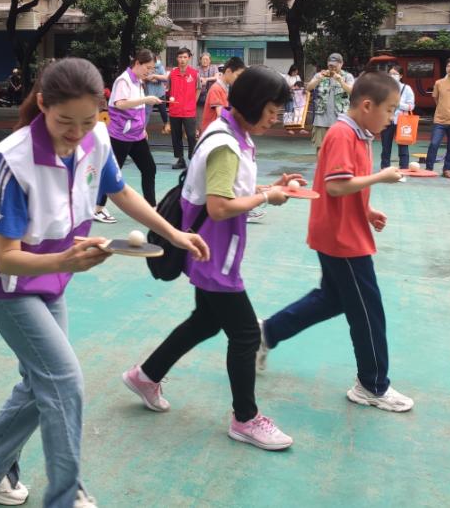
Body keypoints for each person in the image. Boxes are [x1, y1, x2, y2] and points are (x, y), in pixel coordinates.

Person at [0, 58, 209, 508]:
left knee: (43, 381)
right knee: (64, 378)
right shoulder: (13, 161)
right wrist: (66, 259)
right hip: (4, 279)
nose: (76, 133)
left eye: (88, 121)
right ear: (42, 105)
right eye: (63, 121)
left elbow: (120, 191)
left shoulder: (96, 140)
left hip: (53, 267)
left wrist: (171, 233)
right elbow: (5, 257)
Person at [123, 67, 301, 451]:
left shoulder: (231, 132)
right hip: (214, 252)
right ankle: (246, 418)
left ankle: (146, 375)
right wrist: (267, 197)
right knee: (247, 334)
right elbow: (220, 207)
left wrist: (271, 187)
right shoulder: (225, 143)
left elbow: (229, 188)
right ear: (254, 105)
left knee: (205, 321)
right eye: (272, 110)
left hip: (211, 250)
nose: (276, 117)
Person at [258, 72, 413, 413]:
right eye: (389, 111)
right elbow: (336, 186)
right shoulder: (344, 134)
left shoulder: (359, 134)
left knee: (332, 299)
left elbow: (346, 184)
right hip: (343, 239)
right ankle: (371, 385)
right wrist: (382, 176)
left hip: (342, 230)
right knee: (368, 313)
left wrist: (367, 209)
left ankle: (267, 332)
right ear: (367, 105)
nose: (392, 118)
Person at [92, 49, 162, 224]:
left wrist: (142, 128)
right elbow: (121, 104)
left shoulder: (138, 81)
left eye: (152, 69)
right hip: (119, 136)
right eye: (148, 67)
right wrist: (146, 100)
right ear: (137, 63)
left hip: (136, 136)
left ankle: (151, 207)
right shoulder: (123, 80)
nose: (149, 72)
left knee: (149, 168)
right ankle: (97, 208)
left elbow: (136, 111)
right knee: (111, 173)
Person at [306, 53, 354, 153]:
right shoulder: (320, 75)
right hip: (321, 119)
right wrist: (318, 78)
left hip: (340, 119)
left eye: (335, 65)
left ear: (341, 64)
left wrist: (341, 81)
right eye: (330, 65)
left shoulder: (347, 76)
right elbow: (309, 87)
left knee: (340, 148)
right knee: (320, 148)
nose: (332, 68)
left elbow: (352, 91)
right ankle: (321, 168)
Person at [167, 47, 198, 169]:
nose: (182, 60)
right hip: (175, 111)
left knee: (191, 135)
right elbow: (168, 89)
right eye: (180, 57)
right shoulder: (172, 74)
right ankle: (180, 159)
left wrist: (192, 102)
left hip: (189, 111)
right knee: (176, 137)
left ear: (189, 58)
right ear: (177, 58)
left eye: (185, 57)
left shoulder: (195, 74)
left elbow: (199, 89)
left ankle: (193, 158)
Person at [379, 65, 415, 169]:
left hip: (402, 121)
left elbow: (411, 106)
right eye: (390, 74)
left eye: (395, 74)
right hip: (386, 120)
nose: (392, 76)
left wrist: (398, 104)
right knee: (386, 145)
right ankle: (384, 167)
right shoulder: (384, 88)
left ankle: (404, 167)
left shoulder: (407, 88)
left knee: (403, 145)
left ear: (401, 75)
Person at [200, 57, 245, 132]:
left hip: (217, 131)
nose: (239, 80)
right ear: (228, 71)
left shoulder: (225, 87)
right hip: (212, 134)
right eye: (238, 75)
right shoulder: (216, 89)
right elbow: (221, 115)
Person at [145, 56, 170, 133]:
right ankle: (143, 128)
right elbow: (143, 77)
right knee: (146, 111)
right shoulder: (146, 66)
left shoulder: (160, 67)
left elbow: (165, 77)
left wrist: (155, 76)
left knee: (163, 111)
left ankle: (166, 125)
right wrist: (148, 78)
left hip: (160, 93)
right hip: (149, 93)